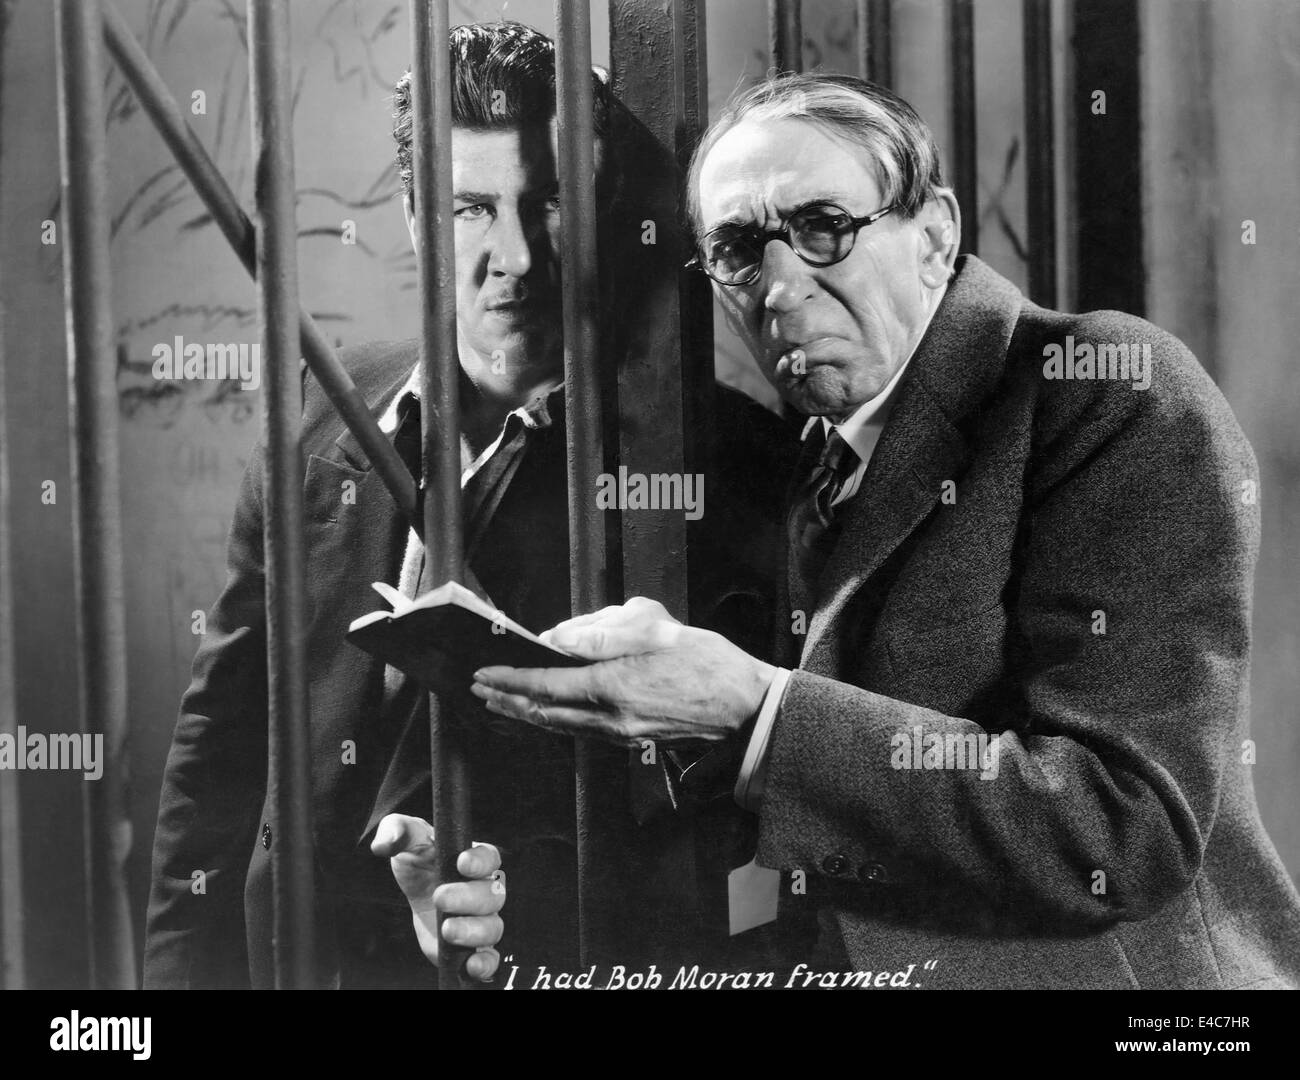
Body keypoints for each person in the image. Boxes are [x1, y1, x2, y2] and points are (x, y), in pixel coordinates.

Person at [472, 72, 1300, 989]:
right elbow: (817, 830)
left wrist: (758, 707)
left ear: (936, 237)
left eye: (824, 227)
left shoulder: (1104, 387)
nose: (781, 290)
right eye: (740, 251)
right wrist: (516, 897)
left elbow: (1123, 826)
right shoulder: (822, 452)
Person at [143, 21, 795, 989]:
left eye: (549, 203)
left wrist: (528, 895)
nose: (516, 256)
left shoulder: (726, 459)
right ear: (414, 216)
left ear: (604, 207)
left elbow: (748, 798)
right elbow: (219, 758)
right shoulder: (323, 412)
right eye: (469, 208)